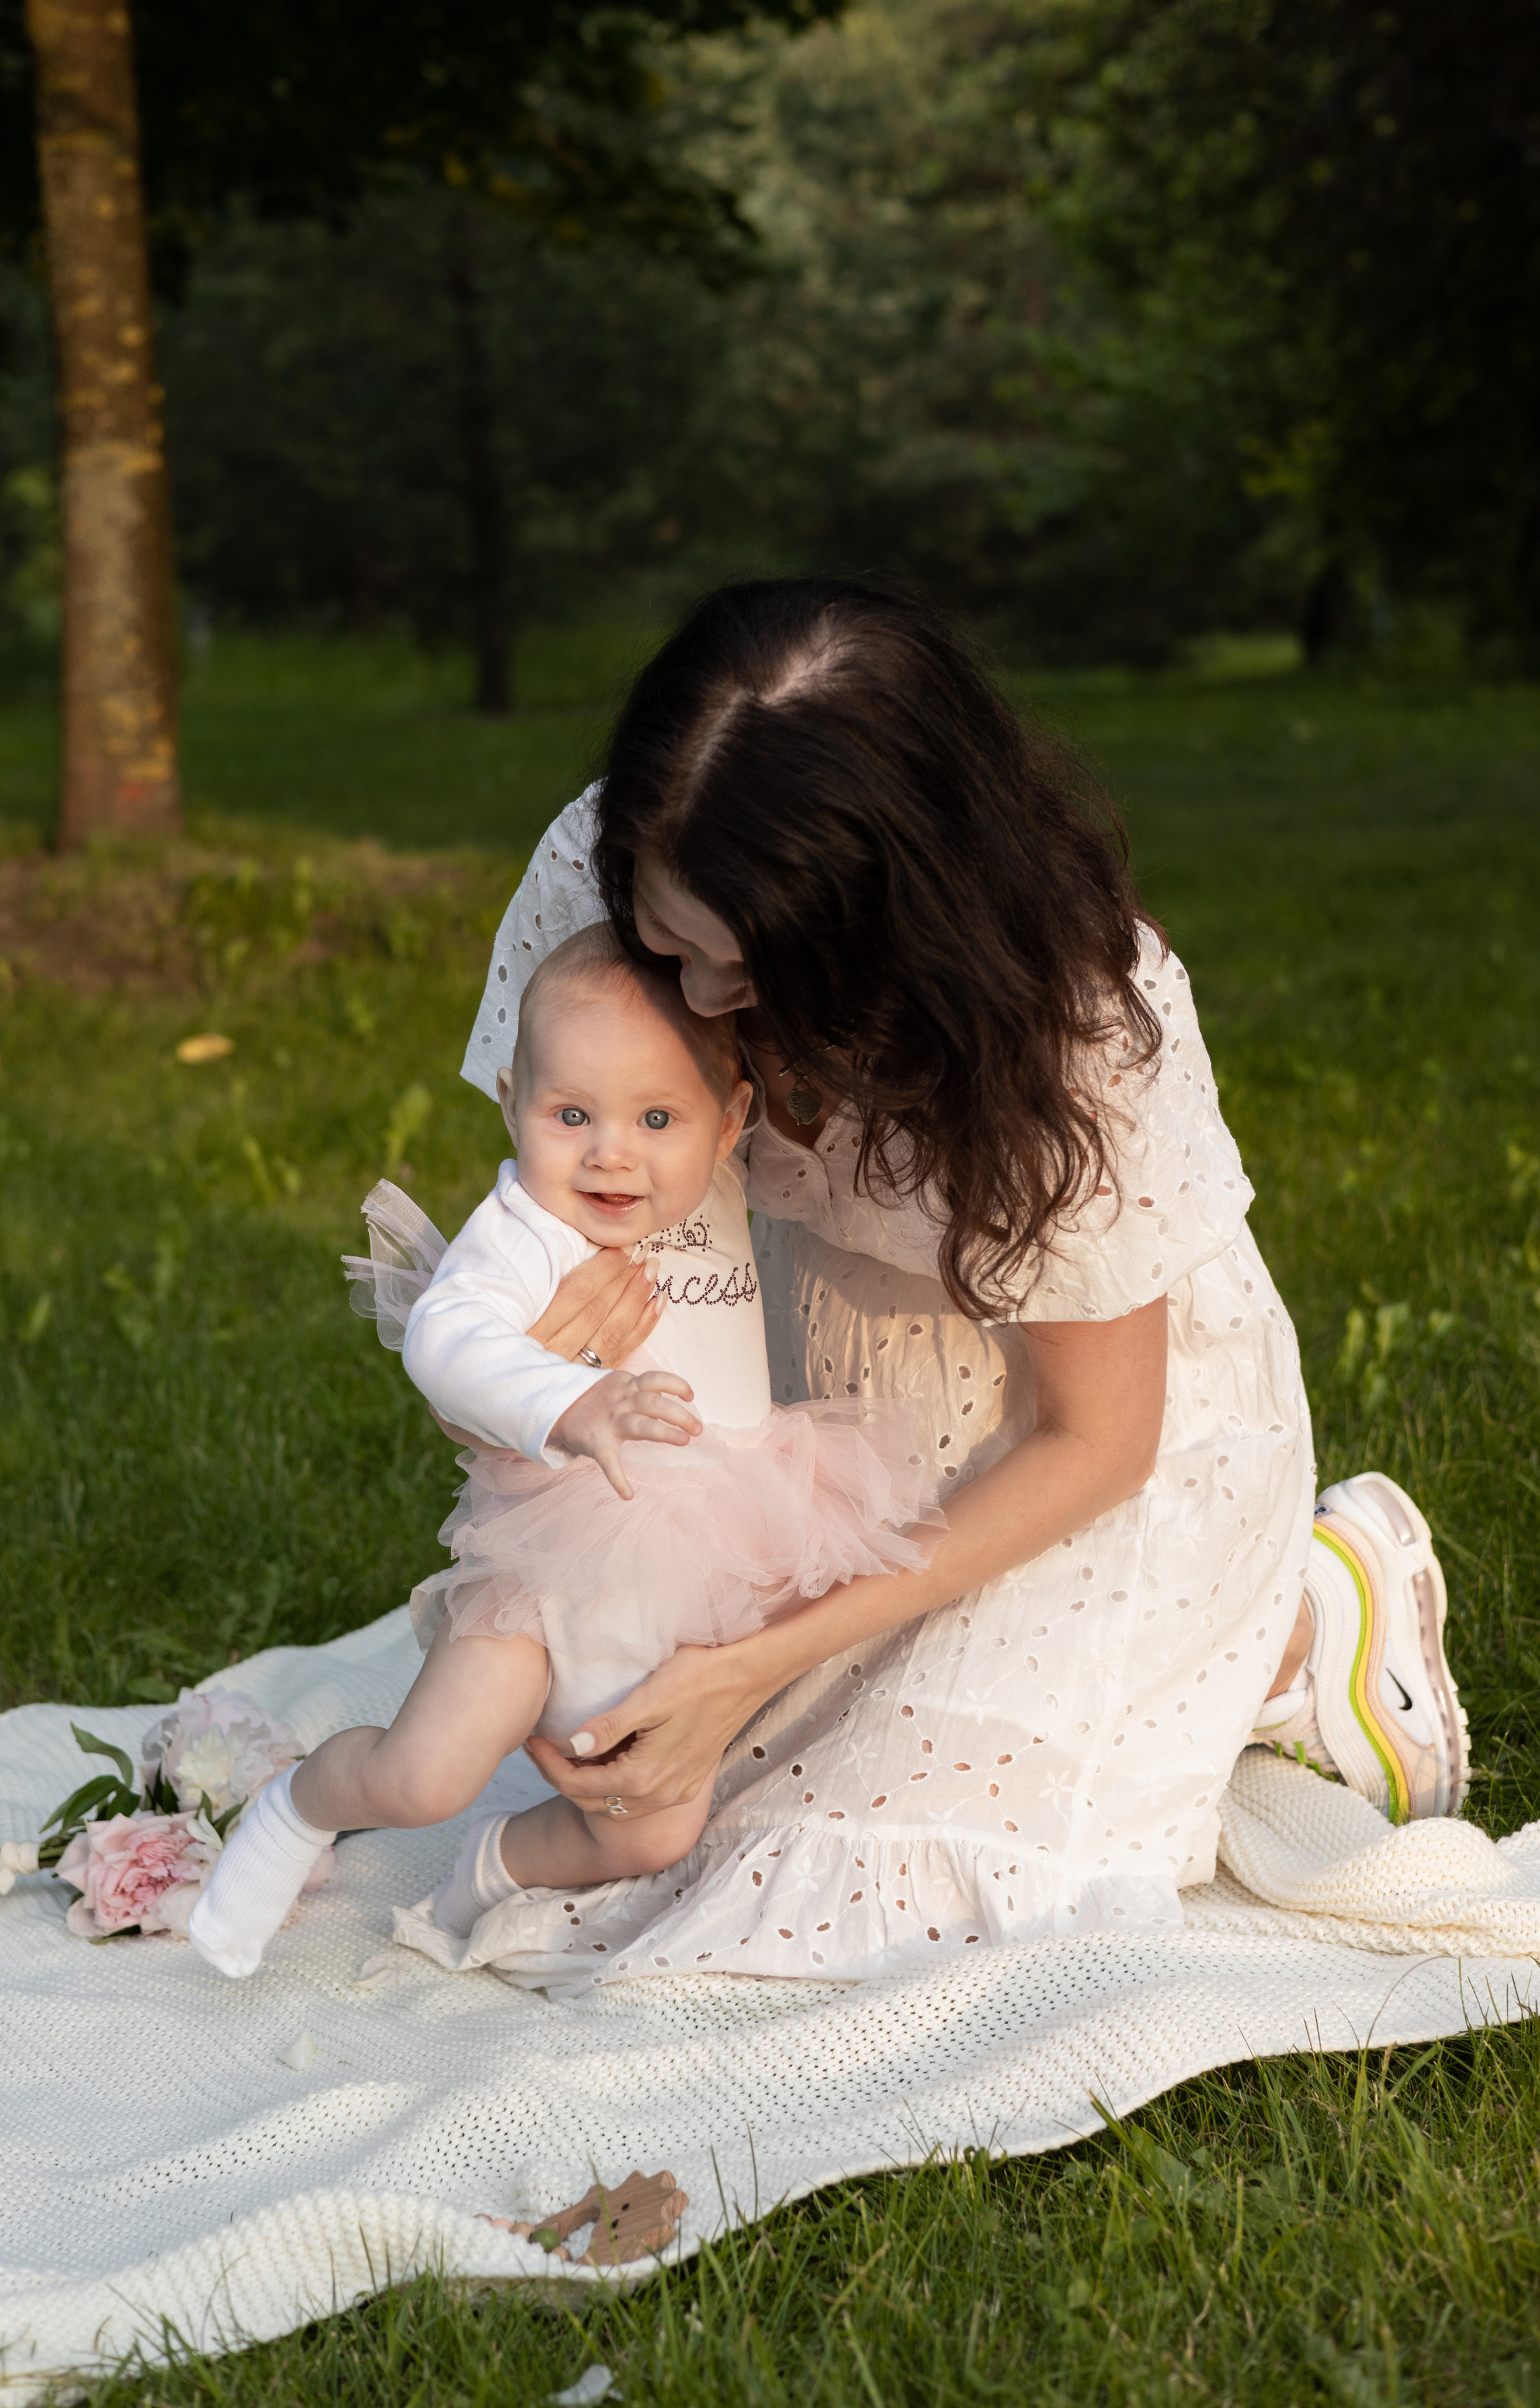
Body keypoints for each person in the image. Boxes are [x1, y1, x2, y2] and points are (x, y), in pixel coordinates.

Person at [413, 576, 1467, 1990]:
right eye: (666, 948)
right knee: (645, 1805)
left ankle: (1297, 1619)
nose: (697, 1000)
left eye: (745, 971)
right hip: (781, 1393)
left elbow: (1092, 1438)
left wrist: (745, 1672)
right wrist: (534, 1368)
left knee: (874, 1906)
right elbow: (555, 1196)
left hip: (1055, 1439)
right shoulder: (608, 862)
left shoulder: (1076, 1024)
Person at [187, 922, 937, 1979]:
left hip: (708, 1558)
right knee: (427, 1774)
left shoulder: (719, 1180)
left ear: (731, 1126)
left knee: (648, 1827)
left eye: (656, 1118)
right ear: (512, 1103)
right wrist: (572, 1402)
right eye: (570, 1114)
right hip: (551, 1563)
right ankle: (298, 1807)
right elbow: (446, 1340)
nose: (612, 1152)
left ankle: (502, 1864)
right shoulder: (526, 1226)